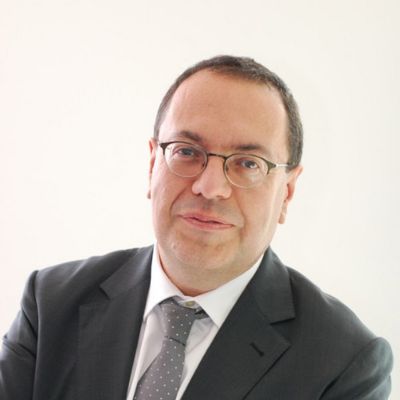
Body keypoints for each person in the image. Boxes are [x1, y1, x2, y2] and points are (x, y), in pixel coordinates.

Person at [0, 55, 393, 400]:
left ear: (287, 192)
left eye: (248, 163)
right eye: (187, 152)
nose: (210, 187)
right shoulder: (52, 303)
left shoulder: (344, 364)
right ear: (152, 165)